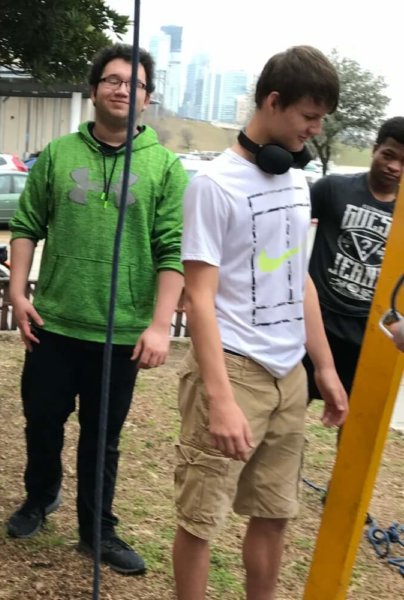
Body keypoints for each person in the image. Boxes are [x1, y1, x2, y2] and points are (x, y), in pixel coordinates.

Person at [171, 46, 349, 600]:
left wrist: (324, 368)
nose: (314, 130)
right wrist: (220, 398)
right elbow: (197, 299)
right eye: (308, 117)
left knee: (274, 514)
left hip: (288, 374)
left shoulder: (296, 183)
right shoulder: (214, 185)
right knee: (200, 519)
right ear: (273, 101)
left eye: (321, 119)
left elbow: (300, 281)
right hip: (234, 369)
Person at [6, 43, 187, 576]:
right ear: (93, 91)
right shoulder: (59, 154)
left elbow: (173, 250)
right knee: (42, 421)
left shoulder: (166, 168)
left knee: (102, 438)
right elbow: (26, 225)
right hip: (54, 322)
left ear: (147, 99)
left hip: (120, 331)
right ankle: (40, 498)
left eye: (134, 84)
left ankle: (96, 530)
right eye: (111, 79)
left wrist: (159, 325)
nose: (121, 89)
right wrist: (18, 292)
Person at [305, 116, 404, 397]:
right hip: (313, 328)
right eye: (388, 155)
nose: (394, 167)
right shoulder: (332, 189)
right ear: (375, 149)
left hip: (368, 338)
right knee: (285, 414)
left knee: (354, 431)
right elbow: (283, 234)